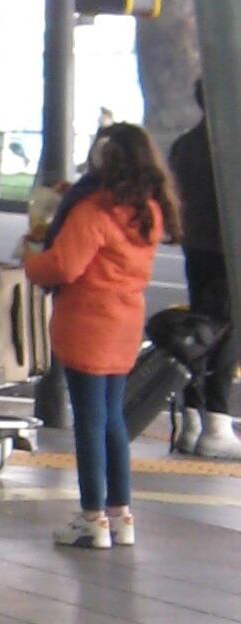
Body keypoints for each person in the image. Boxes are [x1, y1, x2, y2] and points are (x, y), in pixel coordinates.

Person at [24, 123, 180, 550]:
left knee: (89, 422)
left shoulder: (94, 211)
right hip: (124, 324)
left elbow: (64, 265)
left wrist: (30, 260)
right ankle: (120, 515)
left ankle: (92, 517)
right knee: (112, 419)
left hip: (87, 325)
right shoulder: (149, 210)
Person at [170, 82, 241, 461]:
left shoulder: (185, 145)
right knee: (227, 332)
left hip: (196, 247)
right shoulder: (230, 146)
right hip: (228, 251)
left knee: (200, 329)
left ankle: (193, 419)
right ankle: (217, 422)